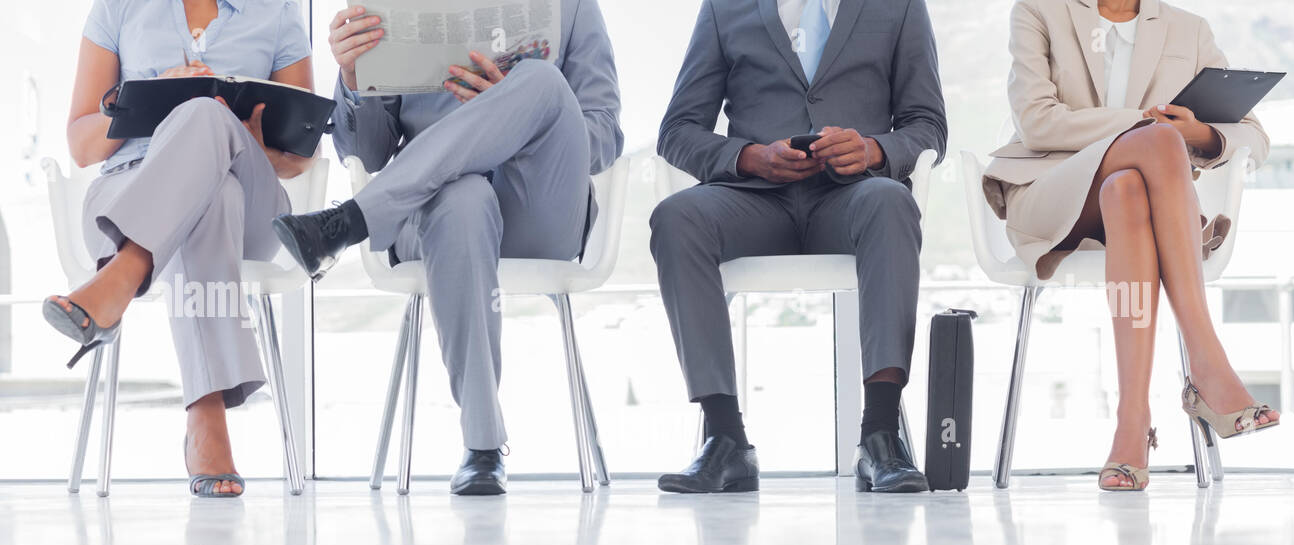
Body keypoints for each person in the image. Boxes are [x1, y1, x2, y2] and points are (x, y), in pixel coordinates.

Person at [274, 2, 624, 496]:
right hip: (437, 213)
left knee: (541, 82)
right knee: (462, 199)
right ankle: (483, 446)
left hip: (539, 208)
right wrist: (353, 77)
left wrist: (517, 110)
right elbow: (368, 153)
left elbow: (605, 132)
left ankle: (347, 223)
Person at [650, 0, 947, 494]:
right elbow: (677, 130)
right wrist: (747, 156)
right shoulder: (725, 8)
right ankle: (725, 440)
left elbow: (927, 124)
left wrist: (873, 149)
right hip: (753, 202)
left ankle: (880, 437)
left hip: (852, 197)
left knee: (890, 201)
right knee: (676, 217)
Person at [983, 0, 1279, 492]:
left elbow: (1255, 138)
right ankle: (1207, 364)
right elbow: (1038, 122)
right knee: (1158, 142)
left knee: (1127, 189)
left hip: (1140, 201)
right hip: (1050, 189)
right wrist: (1149, 127)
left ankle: (1132, 424)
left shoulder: (1189, 29)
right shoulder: (1039, 12)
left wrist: (1198, 132)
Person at [44, 0, 316, 498]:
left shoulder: (277, 13)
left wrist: (247, 139)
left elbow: (301, 156)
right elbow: (81, 145)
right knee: (213, 197)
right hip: (127, 188)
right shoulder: (118, 9)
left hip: (250, 194)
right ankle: (207, 423)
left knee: (208, 120)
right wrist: (140, 107)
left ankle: (123, 274)